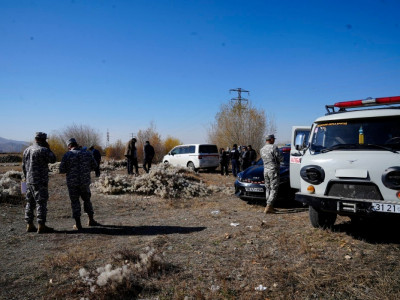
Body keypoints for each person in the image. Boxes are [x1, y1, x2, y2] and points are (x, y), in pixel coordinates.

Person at [59, 138, 100, 230]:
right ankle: (91, 220)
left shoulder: (67, 155)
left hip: (72, 183)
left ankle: (78, 224)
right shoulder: (87, 153)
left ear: (69, 146)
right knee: (87, 200)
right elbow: (95, 166)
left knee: (75, 202)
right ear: (76, 144)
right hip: (84, 182)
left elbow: (61, 170)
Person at [23, 132, 56, 233]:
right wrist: (48, 148)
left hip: (28, 181)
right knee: (41, 202)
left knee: (29, 202)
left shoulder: (27, 150)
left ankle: (29, 224)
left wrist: (25, 180)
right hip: (40, 181)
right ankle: (41, 226)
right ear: (44, 139)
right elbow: (53, 159)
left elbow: (23, 166)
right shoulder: (44, 150)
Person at [260, 134, 283, 214]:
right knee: (274, 188)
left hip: (265, 170)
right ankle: (269, 206)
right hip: (273, 170)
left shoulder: (262, 149)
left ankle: (269, 205)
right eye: (273, 139)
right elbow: (280, 158)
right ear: (271, 139)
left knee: (268, 188)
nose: (274, 140)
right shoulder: (274, 147)